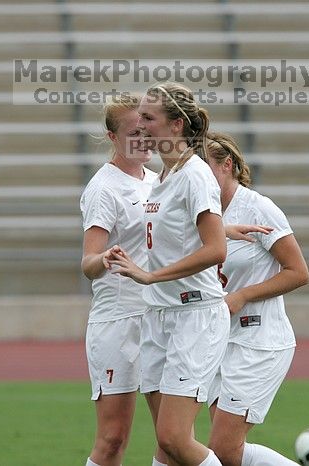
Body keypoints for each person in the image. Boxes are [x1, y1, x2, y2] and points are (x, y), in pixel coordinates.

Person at [107, 82, 229, 466]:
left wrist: (150, 277)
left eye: (148, 117)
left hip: (194, 316)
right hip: (160, 317)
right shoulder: (163, 177)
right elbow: (184, 236)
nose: (139, 124)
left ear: (176, 125)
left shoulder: (194, 174)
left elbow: (215, 250)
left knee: (175, 438)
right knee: (166, 447)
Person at [203, 132, 309, 466]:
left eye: (205, 168)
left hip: (260, 341)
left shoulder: (259, 208)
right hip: (220, 339)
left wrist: (243, 295)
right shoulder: (202, 214)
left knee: (222, 448)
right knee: (227, 452)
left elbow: (298, 271)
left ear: (227, 165)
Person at [79, 93, 160, 466]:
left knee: (173, 437)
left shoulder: (159, 181)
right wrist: (105, 258)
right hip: (118, 320)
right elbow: (88, 262)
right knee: (113, 439)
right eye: (132, 131)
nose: (143, 138)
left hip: (160, 318)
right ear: (113, 137)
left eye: (146, 128)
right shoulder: (104, 188)